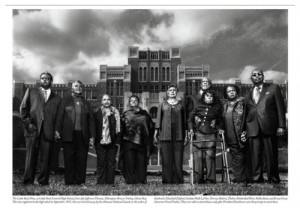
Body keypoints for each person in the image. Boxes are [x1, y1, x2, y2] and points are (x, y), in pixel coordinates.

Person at [20, 72, 62, 186]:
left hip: (48, 132)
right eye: (43, 78)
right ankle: (28, 181)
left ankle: (43, 181)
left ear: (51, 81)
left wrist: (56, 131)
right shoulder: (31, 91)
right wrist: (28, 123)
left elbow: (58, 117)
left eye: (47, 79)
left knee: (46, 158)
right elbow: (23, 109)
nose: (45, 80)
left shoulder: (57, 98)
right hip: (32, 130)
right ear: (40, 80)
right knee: (30, 158)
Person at [244, 69, 286, 184]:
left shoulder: (273, 88)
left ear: (263, 76)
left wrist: (281, 126)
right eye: (254, 75)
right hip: (253, 128)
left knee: (271, 155)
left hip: (269, 127)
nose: (256, 76)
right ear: (251, 78)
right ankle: (257, 179)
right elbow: (246, 112)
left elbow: (280, 108)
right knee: (255, 156)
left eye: (259, 74)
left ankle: (273, 179)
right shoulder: (248, 93)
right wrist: (245, 129)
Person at [60, 80, 95, 185]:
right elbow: (60, 117)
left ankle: (80, 181)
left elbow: (91, 121)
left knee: (81, 158)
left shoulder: (86, 103)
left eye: (80, 86)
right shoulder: (65, 101)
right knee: (69, 159)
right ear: (72, 88)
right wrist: (58, 131)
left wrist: (92, 136)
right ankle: (70, 181)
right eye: (76, 86)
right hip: (69, 134)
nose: (78, 87)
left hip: (83, 135)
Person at [187, 90, 223, 184]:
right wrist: (191, 129)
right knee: (198, 157)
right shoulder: (198, 106)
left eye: (211, 96)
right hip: (198, 134)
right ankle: (197, 180)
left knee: (210, 157)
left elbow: (221, 120)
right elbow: (190, 119)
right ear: (203, 98)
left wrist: (220, 128)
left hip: (211, 134)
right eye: (207, 96)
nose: (209, 98)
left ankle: (210, 180)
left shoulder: (217, 108)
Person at [154, 84, 187, 184]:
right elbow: (159, 119)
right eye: (170, 90)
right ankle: (167, 180)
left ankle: (178, 180)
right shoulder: (162, 104)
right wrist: (156, 133)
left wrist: (185, 134)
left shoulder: (182, 104)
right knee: (166, 160)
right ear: (167, 92)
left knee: (178, 159)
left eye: (174, 90)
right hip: (165, 135)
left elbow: (184, 121)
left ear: (176, 92)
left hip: (179, 135)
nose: (172, 91)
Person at [120, 95, 154, 184]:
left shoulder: (145, 113)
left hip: (142, 141)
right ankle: (130, 180)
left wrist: (150, 139)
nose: (133, 101)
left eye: (135, 100)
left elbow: (150, 127)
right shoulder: (126, 113)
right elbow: (122, 128)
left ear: (139, 102)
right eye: (131, 100)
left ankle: (141, 180)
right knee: (129, 162)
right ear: (129, 102)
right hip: (129, 141)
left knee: (141, 162)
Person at [222, 84, 251, 184]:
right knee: (235, 157)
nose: (231, 92)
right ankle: (239, 177)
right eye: (229, 91)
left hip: (241, 134)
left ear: (236, 91)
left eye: (233, 90)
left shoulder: (242, 102)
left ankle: (244, 178)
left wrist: (246, 131)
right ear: (226, 93)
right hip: (230, 136)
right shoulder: (225, 105)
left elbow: (248, 117)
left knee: (243, 156)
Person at [93, 94, 121, 185]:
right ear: (101, 101)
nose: (106, 101)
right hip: (100, 141)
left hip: (112, 141)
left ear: (111, 101)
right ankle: (100, 182)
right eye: (104, 99)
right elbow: (94, 127)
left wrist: (117, 141)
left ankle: (110, 182)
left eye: (108, 99)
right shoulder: (96, 112)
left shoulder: (115, 112)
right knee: (101, 162)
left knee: (111, 162)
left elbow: (119, 128)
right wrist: (94, 140)